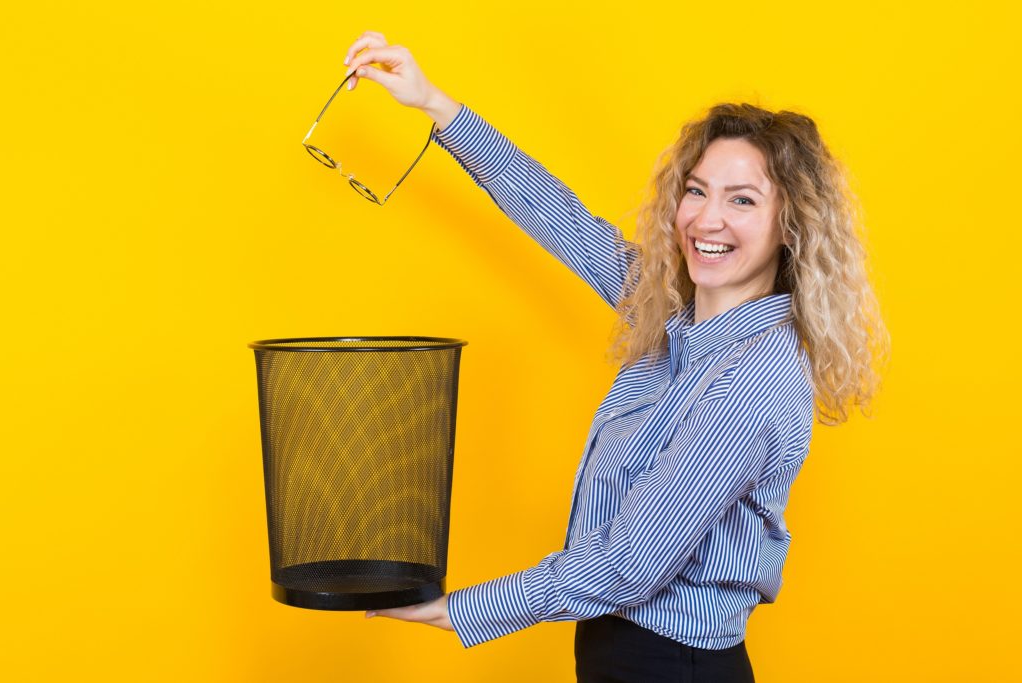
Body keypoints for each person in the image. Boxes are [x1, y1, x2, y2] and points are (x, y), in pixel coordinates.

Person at [343, 30, 889, 683]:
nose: (706, 219)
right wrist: (435, 104)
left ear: (790, 224)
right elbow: (562, 219)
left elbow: (631, 562)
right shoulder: (671, 312)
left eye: (742, 199)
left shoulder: (755, 380)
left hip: (670, 664)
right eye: (697, 190)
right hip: (617, 648)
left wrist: (458, 610)